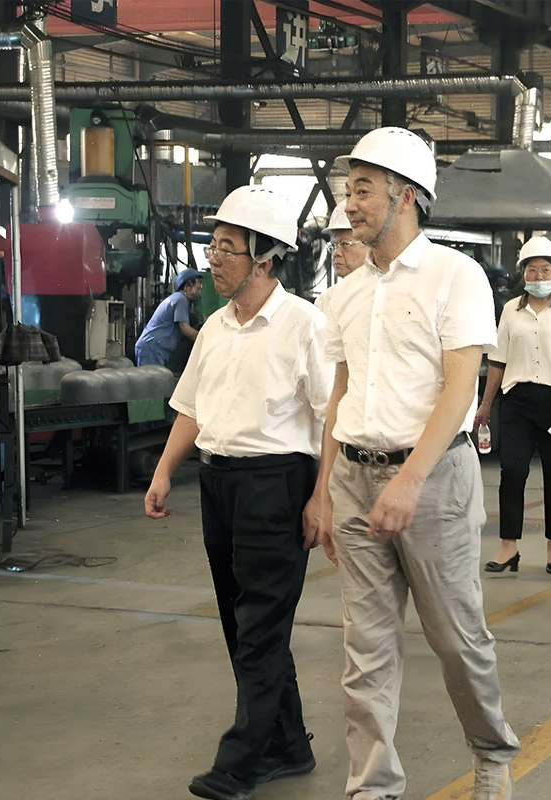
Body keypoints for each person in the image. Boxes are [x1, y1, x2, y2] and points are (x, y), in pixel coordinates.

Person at [309, 126, 520, 800]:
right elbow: (339, 395)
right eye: (349, 190)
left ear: (405, 195)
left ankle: (491, 754)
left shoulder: (454, 275)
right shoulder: (345, 293)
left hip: (432, 484)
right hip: (354, 479)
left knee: (456, 640)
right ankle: (373, 788)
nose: (351, 204)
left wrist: (407, 481)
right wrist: (324, 489)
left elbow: (461, 387)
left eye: (363, 189)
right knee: (364, 652)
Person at [144, 184, 332, 800]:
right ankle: (290, 745)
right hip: (219, 483)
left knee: (260, 627)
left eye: (227, 248)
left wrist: (322, 497)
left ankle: (240, 762)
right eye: (213, 247)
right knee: (241, 622)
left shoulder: (304, 324)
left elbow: (334, 417)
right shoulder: (217, 328)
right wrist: (165, 470)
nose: (214, 259)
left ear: (264, 256)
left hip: (276, 485)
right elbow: (192, 409)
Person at [474, 235, 551, 575]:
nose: (538, 277)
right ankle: (509, 547)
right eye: (532, 270)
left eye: (545, 270)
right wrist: (485, 405)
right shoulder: (511, 310)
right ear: (522, 273)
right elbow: (498, 360)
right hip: (517, 402)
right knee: (512, 472)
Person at [134, 267, 203, 367]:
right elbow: (184, 327)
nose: (199, 292)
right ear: (187, 287)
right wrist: (204, 339)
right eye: (197, 288)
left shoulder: (176, 298)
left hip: (152, 347)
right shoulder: (181, 299)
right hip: (152, 348)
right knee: (153, 381)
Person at [315, 200, 367, 315]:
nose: (335, 253)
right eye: (333, 246)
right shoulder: (325, 301)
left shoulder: (384, 294)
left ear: (370, 245)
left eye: (345, 244)